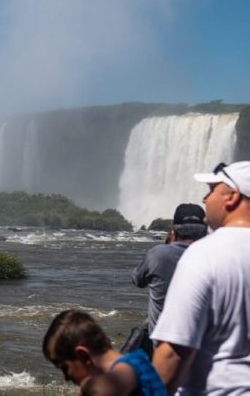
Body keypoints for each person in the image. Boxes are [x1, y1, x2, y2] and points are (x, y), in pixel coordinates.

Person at [151, 161, 250, 395]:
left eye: (211, 190)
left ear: (232, 197)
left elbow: (173, 352)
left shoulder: (205, 254)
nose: (205, 200)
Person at [130, 203, 208, 352]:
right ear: (205, 231)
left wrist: (167, 245)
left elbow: (137, 280)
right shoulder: (214, 256)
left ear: (173, 230)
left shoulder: (158, 254)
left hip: (162, 350)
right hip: (203, 350)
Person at [43, 309, 167, 396]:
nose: (66, 378)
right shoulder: (139, 358)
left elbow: (110, 387)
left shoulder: (129, 366)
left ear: (83, 355)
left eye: (65, 368)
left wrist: (86, 386)